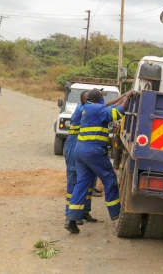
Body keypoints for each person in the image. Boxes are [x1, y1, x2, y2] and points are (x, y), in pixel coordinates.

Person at [65, 89, 135, 234]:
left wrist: (122, 96)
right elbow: (119, 112)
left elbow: (107, 106)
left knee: (82, 183)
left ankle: (71, 218)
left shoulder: (85, 107)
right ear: (98, 99)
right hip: (94, 151)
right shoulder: (98, 109)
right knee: (109, 179)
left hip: (80, 151)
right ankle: (116, 214)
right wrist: (127, 97)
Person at [64, 90, 96, 225]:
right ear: (85, 101)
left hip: (85, 147)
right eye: (91, 99)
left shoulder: (88, 108)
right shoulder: (82, 109)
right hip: (74, 146)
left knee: (89, 181)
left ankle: (84, 211)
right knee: (74, 181)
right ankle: (71, 214)